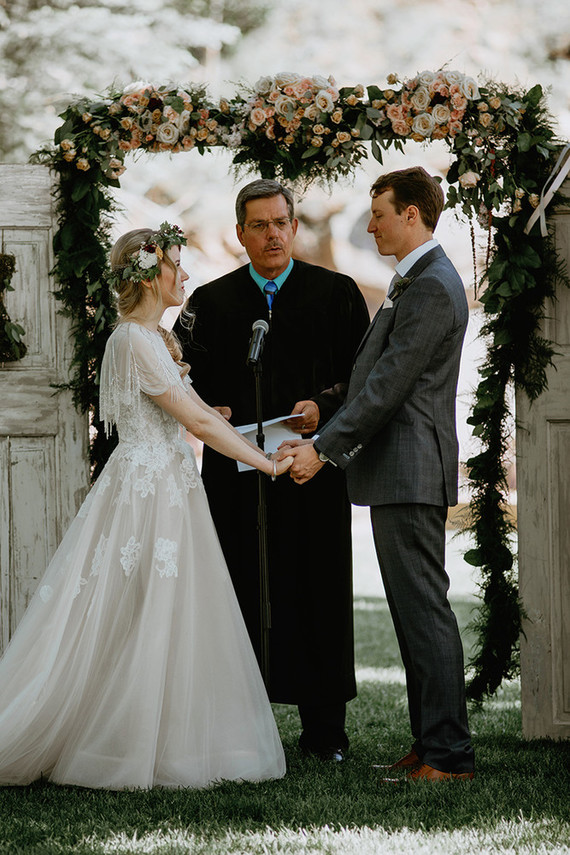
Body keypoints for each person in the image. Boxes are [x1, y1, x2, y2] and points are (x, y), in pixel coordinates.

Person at [0, 222, 292, 790]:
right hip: (146, 490)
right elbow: (197, 421)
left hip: (169, 483)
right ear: (149, 276)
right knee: (133, 611)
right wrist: (268, 463)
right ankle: (116, 740)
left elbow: (204, 411)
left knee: (169, 610)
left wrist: (248, 429)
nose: (184, 275)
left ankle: (163, 738)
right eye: (175, 266)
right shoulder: (132, 340)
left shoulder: (156, 339)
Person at [280, 167, 475, 781]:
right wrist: (327, 402)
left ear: (412, 214)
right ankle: (429, 743)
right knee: (412, 615)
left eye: (381, 213)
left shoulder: (433, 285)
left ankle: (449, 755)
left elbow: (391, 387)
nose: (371, 225)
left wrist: (326, 448)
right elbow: (379, 369)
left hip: (411, 469)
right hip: (399, 470)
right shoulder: (415, 280)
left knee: (425, 615)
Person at [174, 180, 370, 761]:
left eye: (281, 222)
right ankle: (237, 723)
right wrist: (212, 406)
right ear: (240, 233)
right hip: (233, 473)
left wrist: (322, 406)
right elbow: (182, 379)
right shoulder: (209, 303)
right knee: (233, 586)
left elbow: (363, 378)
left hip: (309, 465)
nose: (272, 234)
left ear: (294, 225)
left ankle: (324, 731)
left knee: (316, 586)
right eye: (258, 225)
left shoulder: (336, 294)